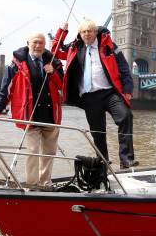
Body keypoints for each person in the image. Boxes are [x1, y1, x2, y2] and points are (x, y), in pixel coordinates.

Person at [52, 19, 138, 169]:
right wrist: (62, 32)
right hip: (89, 96)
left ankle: (126, 159)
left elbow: (123, 67)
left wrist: (128, 89)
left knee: (125, 116)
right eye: (83, 32)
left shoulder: (108, 46)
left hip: (110, 93)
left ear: (95, 32)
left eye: (90, 31)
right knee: (98, 131)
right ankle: (103, 162)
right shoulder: (75, 48)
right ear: (80, 34)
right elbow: (55, 52)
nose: (87, 34)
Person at [0, 32, 64, 187]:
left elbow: (64, 85)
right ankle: (32, 185)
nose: (38, 46)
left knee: (49, 154)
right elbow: (5, 90)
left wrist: (53, 73)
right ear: (28, 43)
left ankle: (45, 184)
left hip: (50, 116)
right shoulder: (16, 64)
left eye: (41, 43)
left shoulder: (54, 62)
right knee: (33, 152)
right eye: (35, 42)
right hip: (30, 116)